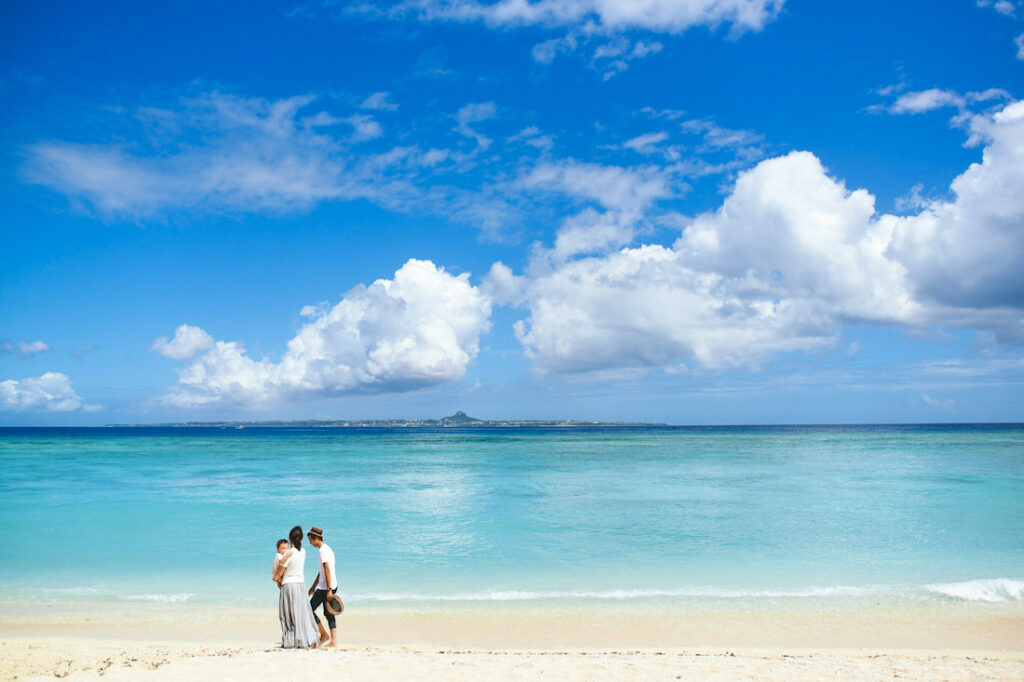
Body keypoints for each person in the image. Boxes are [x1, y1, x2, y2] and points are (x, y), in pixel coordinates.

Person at [278, 526, 319, 648]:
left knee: (289, 614)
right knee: (302, 613)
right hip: (300, 584)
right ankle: (307, 638)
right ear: (301, 538)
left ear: (290, 538)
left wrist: (276, 578)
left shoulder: (289, 554)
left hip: (289, 585)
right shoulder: (303, 551)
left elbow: (280, 572)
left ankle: (291, 641)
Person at [306, 526, 339, 647]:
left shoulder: (322, 551)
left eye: (310, 540)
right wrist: (313, 586)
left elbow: (327, 569)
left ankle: (325, 635)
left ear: (315, 538)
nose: (310, 543)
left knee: (308, 610)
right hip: (329, 585)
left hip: (326, 587)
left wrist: (329, 590)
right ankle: (332, 640)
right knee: (328, 612)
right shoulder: (327, 549)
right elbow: (322, 571)